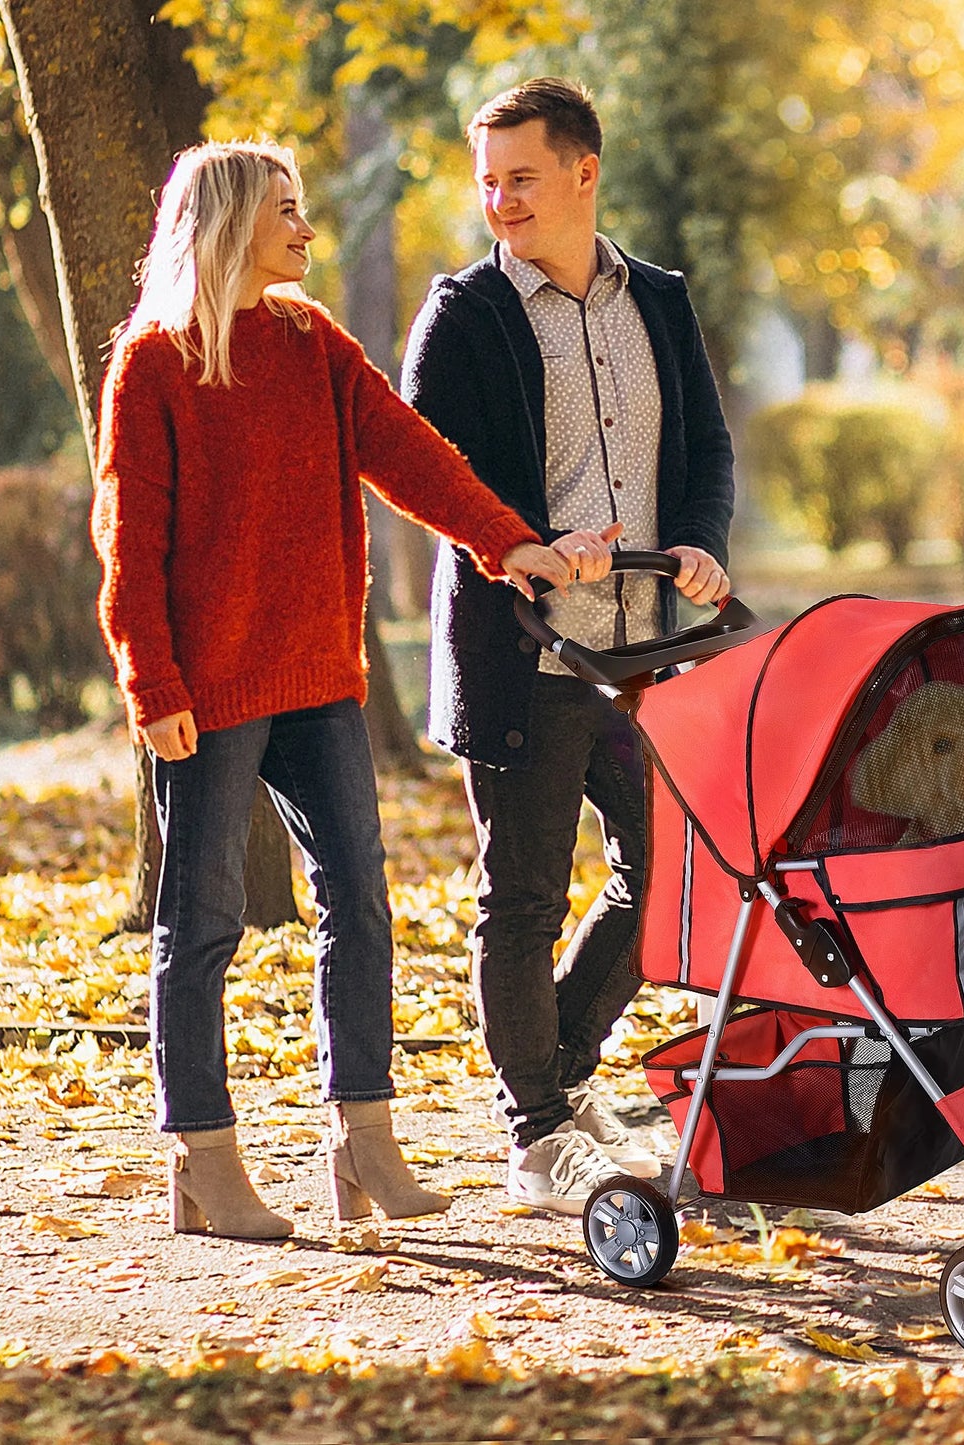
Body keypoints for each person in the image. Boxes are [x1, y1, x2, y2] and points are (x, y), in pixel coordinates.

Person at [91, 140, 573, 1241]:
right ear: (225, 227)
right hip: (205, 691)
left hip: (317, 678)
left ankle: (364, 1142)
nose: (306, 230)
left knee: (359, 902)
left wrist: (510, 544)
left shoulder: (313, 342)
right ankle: (202, 1159)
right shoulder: (156, 364)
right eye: (286, 212)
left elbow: (412, 455)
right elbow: (131, 543)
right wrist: (151, 679)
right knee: (200, 919)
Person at [401, 78, 735, 1214]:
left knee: (669, 874)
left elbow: (705, 448)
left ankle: (562, 1075)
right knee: (524, 898)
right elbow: (429, 477)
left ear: (584, 172)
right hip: (525, 654)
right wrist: (528, 545)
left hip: (641, 652)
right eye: (486, 180)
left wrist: (697, 540)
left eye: (521, 178)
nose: (498, 200)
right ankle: (536, 1130)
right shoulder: (465, 314)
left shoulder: (661, 301)